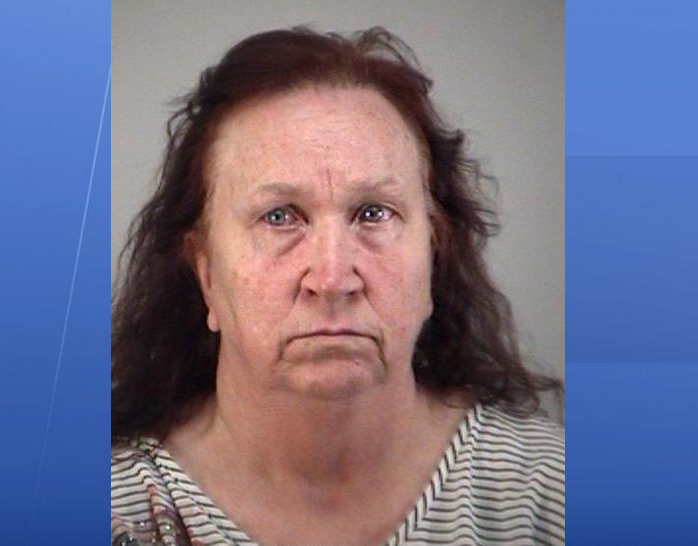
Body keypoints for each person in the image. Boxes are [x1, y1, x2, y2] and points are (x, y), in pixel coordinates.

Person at [111, 27, 564, 546]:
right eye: (279, 216)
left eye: (373, 213)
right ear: (206, 272)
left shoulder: (551, 495)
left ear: (434, 256)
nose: (331, 279)